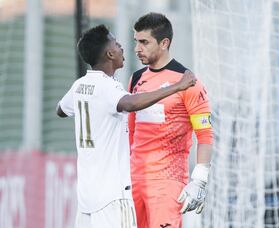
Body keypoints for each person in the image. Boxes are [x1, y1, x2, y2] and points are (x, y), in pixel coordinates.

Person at [56, 24, 197, 228]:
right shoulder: (108, 87)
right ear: (110, 53)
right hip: (113, 198)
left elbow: (60, 109)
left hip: (87, 198)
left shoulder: (79, 86)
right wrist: (178, 86)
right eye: (117, 43)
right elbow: (129, 103)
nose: (123, 47)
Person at [128, 12, 213, 228]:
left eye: (144, 42)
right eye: (136, 41)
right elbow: (131, 131)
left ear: (164, 42)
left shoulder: (188, 82)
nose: (137, 48)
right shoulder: (136, 78)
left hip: (167, 183)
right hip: (134, 180)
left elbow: (205, 135)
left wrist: (199, 181)